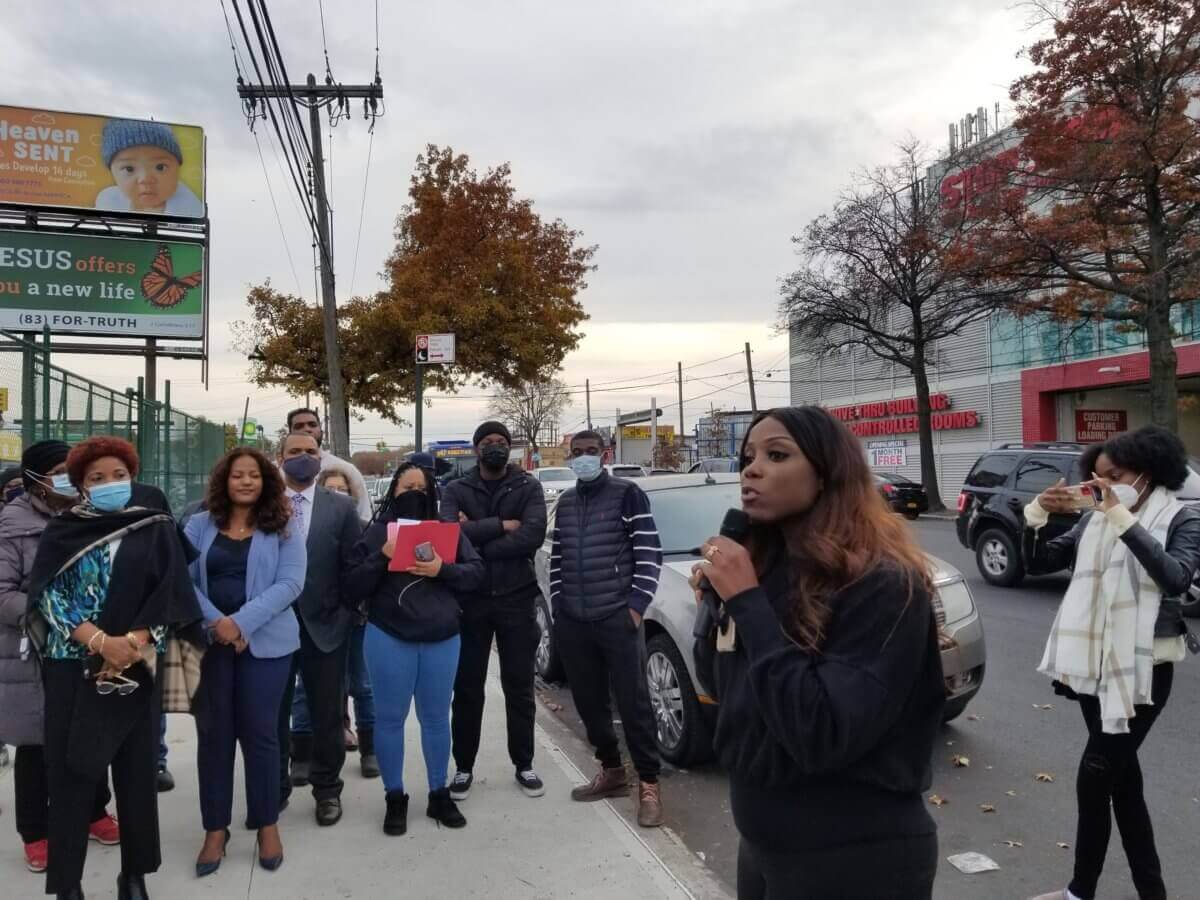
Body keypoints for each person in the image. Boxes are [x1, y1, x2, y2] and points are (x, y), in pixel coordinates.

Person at [690, 407, 945, 899]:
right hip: (764, 848)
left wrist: (749, 606)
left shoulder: (883, 585)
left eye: (776, 455)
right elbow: (724, 689)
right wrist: (718, 612)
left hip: (852, 858)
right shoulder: (768, 569)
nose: (752, 469)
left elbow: (822, 732)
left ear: (827, 475)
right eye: (748, 457)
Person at [1026, 426, 1200, 900]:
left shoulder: (1180, 519)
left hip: (1145, 674)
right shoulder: (1096, 520)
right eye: (1096, 479)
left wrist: (1121, 516)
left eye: (1114, 476)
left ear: (1146, 473)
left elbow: (1175, 578)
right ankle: (1152, 892)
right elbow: (1041, 562)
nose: (1102, 486)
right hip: (1094, 668)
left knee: (1095, 777)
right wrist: (1038, 514)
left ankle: (1079, 893)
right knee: (1124, 787)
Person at [27, 436, 202, 900]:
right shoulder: (63, 529)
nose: (109, 484)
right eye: (96, 478)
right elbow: (47, 596)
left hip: (137, 664)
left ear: (132, 476)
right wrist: (100, 641)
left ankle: (134, 875)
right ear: (81, 485)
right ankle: (68, 884)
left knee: (137, 773)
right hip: (73, 666)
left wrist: (136, 642)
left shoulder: (155, 527)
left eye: (118, 475)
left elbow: (172, 595)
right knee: (72, 772)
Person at [0, 441, 120, 877]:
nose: (68, 479)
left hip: (88, 649)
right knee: (36, 744)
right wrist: (54, 615)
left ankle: (94, 812)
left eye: (73, 470)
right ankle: (35, 833)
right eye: (58, 471)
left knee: (88, 734)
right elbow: (2, 593)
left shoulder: (91, 518)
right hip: (36, 650)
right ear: (34, 480)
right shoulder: (12, 526)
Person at [185, 447, 305, 877]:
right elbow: (181, 580)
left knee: (262, 736)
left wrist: (242, 624)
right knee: (214, 738)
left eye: (254, 475)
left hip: (267, 646)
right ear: (225, 480)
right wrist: (219, 624)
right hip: (210, 644)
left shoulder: (283, 526)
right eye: (238, 475)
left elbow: (291, 583)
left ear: (266, 481)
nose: (246, 482)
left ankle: (267, 823)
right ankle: (215, 830)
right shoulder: (198, 525)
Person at [346, 463, 483, 834]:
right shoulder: (376, 533)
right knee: (389, 720)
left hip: (442, 636)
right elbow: (351, 585)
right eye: (406, 486)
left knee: (437, 719)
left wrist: (442, 569)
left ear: (433, 494)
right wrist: (383, 556)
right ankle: (395, 797)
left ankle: (438, 793)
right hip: (388, 635)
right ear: (393, 491)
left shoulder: (447, 532)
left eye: (421, 488)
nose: (414, 493)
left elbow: (476, 573)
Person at [549, 429, 665, 827]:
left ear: (605, 454)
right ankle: (612, 771)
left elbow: (649, 553)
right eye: (577, 452)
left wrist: (634, 609)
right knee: (589, 703)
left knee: (633, 705)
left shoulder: (627, 493)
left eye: (591, 451)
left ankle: (648, 784)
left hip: (616, 617)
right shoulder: (564, 502)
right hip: (575, 621)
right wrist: (558, 607)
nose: (583, 457)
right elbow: (558, 558)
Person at [440, 421, 548, 801]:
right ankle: (464, 767)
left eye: (502, 442)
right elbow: (448, 536)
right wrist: (502, 526)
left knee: (519, 686)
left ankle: (524, 764)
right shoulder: (456, 488)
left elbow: (532, 535)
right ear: (476, 449)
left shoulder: (527, 486)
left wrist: (477, 541)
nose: (496, 447)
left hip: (517, 598)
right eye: (488, 442)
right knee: (467, 689)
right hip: (469, 601)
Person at [274, 432, 361, 827]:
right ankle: (274, 787)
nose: (303, 458)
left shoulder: (341, 507)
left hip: (325, 627)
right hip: (272, 628)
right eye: (295, 452)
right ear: (281, 458)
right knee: (272, 715)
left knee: (328, 714)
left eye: (311, 452)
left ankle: (327, 791)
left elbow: (352, 566)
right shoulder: (263, 503)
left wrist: (346, 612)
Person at [312, 466, 378, 779]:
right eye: (330, 489)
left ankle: (370, 749)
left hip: (359, 617)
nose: (338, 495)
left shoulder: (366, 528)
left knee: (363, 684)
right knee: (324, 688)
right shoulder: (310, 528)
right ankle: (318, 745)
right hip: (324, 617)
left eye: (343, 489)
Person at [95, 120, 203, 217]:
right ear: (112, 173)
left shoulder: (189, 206)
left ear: (178, 170)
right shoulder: (109, 201)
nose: (145, 179)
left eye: (160, 167)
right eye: (129, 169)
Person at [287, 408, 373, 522]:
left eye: (312, 425)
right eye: (299, 426)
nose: (307, 429)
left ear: (321, 432)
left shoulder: (346, 470)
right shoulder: (274, 472)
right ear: (290, 433)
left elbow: (364, 516)